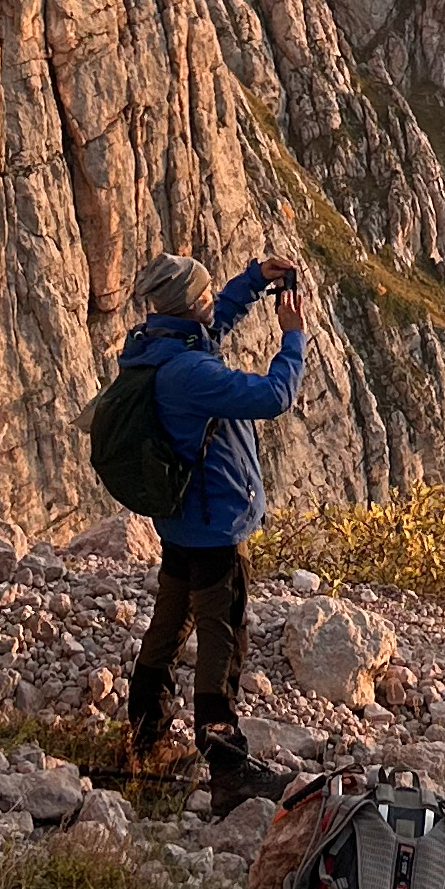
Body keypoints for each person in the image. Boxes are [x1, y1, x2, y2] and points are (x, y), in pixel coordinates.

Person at [118, 250, 306, 799]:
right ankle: (225, 763)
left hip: (181, 521)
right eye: (204, 294)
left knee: (170, 623)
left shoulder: (158, 344)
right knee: (223, 637)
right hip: (215, 524)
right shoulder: (191, 373)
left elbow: (213, 321)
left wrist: (251, 282)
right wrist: (292, 337)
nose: (210, 301)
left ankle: (145, 734)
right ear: (187, 305)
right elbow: (274, 396)